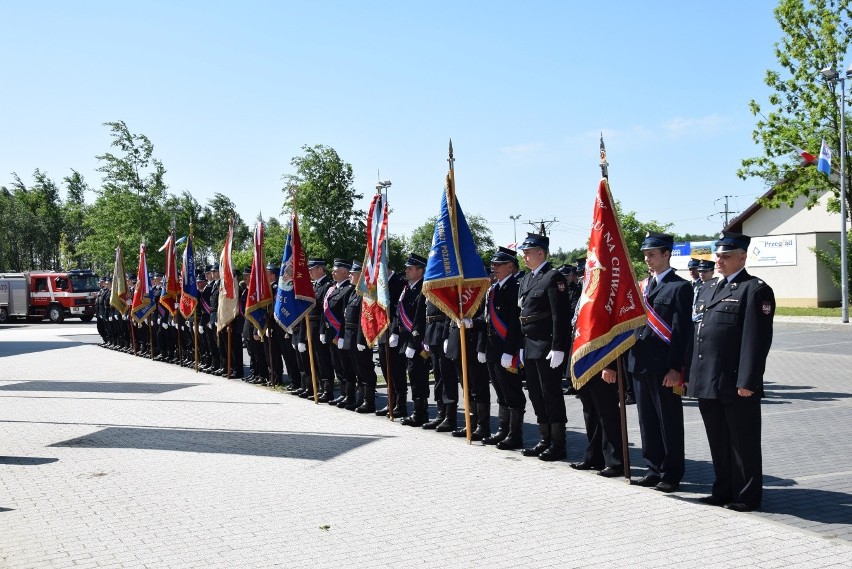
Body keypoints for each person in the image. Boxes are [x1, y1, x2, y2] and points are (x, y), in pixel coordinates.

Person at [689, 231, 774, 512]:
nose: (720, 260)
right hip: (709, 380)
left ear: (742, 256)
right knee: (719, 442)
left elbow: (756, 341)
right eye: (718, 256)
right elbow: (700, 335)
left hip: (736, 382)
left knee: (743, 443)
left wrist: (748, 380)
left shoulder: (755, 289)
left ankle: (747, 496)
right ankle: (723, 489)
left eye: (726, 256)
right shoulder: (710, 287)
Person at [603, 232, 693, 490]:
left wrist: (676, 368)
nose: (647, 258)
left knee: (668, 421)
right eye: (645, 254)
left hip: (664, 366)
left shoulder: (680, 287)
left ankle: (671, 473)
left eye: (652, 254)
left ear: (667, 254)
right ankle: (653, 468)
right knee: (647, 420)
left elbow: (681, 332)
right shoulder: (642, 286)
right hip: (639, 363)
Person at [516, 233, 571, 461]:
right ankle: (544, 438)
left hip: (547, 345)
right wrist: (521, 346)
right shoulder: (527, 279)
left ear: (541, 252)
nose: (525, 257)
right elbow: (522, 315)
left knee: (551, 394)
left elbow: (560, 315)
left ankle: (558, 443)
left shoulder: (553, 277)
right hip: (529, 345)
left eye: (528, 253)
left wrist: (558, 347)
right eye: (524, 253)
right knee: (536, 395)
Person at [478, 247, 526, 449]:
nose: (494, 268)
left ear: (510, 266)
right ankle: (503, 431)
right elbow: (487, 320)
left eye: (498, 265)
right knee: (500, 391)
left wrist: (510, 350)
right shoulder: (493, 289)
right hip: (492, 348)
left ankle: (515, 435)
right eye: (493, 265)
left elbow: (515, 324)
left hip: (507, 350)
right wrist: (472, 326)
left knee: (512, 391)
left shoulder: (515, 287)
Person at [391, 254, 428, 426]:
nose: (406, 270)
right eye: (406, 268)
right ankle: (409, 409)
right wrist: (394, 332)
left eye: (410, 268)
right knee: (406, 374)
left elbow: (420, 318)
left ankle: (420, 413)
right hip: (403, 339)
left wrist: (414, 343)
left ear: (420, 271)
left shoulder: (423, 289)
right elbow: (397, 313)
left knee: (417, 376)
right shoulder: (407, 288)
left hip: (416, 341)